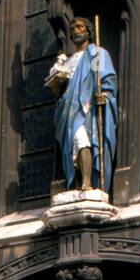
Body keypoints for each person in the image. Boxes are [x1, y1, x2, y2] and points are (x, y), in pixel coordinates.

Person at [49, 15, 118, 194]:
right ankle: (78, 184)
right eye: (72, 29)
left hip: (87, 109)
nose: (75, 31)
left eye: (79, 27)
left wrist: (106, 95)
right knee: (72, 145)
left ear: (88, 31)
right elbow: (60, 89)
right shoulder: (68, 61)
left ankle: (88, 184)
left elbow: (105, 79)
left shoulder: (96, 55)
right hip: (68, 110)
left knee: (83, 140)